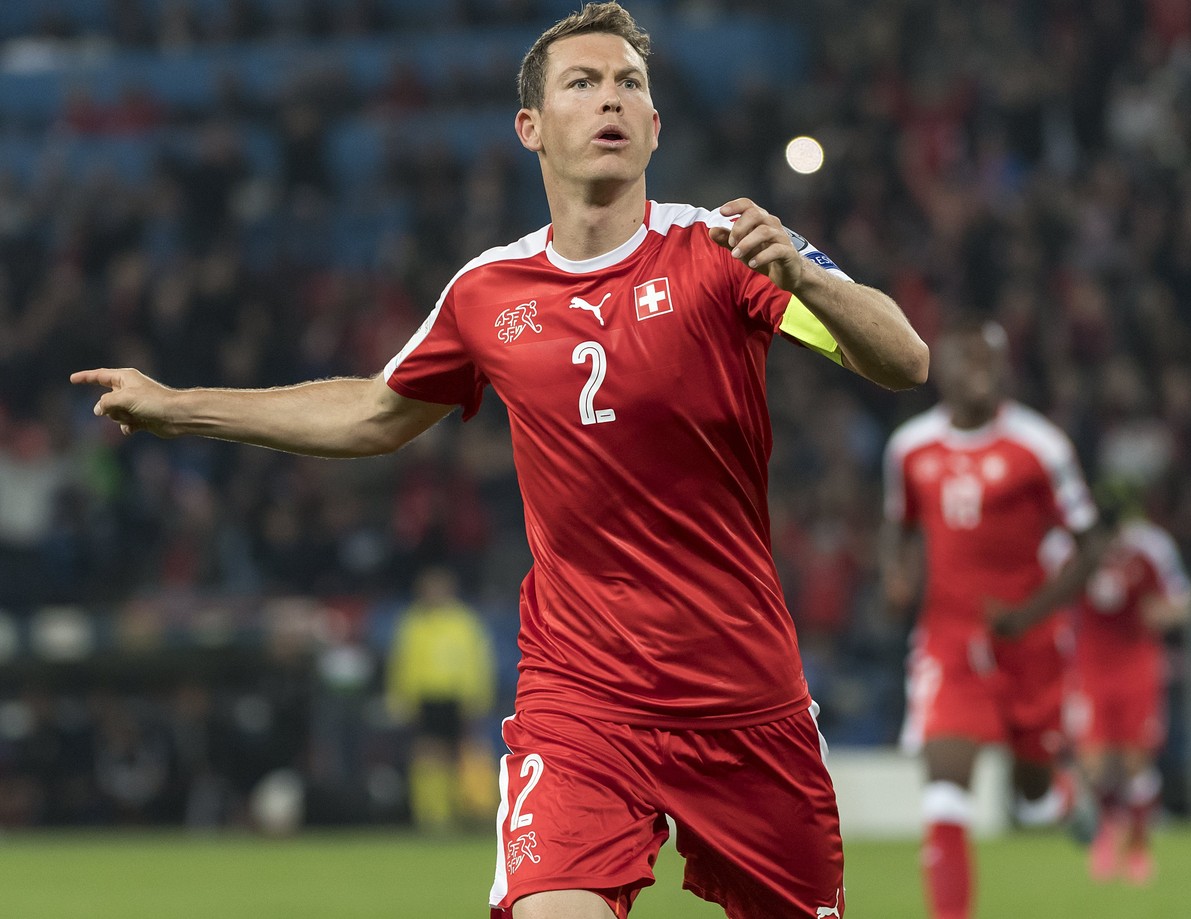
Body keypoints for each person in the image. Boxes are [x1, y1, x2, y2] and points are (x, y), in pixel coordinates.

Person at [72, 4, 929, 917]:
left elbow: (905, 360)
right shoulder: (487, 292)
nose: (611, 99)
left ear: (655, 126)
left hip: (744, 700)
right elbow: (372, 412)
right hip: (582, 698)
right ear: (532, 128)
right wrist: (179, 406)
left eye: (629, 84)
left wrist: (813, 280)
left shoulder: (724, 252)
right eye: (583, 83)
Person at [880, 318, 1103, 919]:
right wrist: (896, 576)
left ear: (1004, 370)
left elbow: (1091, 548)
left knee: (1028, 795)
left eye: (987, 362)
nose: (976, 373)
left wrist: (1028, 614)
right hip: (947, 640)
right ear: (939, 369)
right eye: (963, 360)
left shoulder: (1041, 447)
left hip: (1029, 641)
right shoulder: (909, 450)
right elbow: (898, 529)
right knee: (947, 789)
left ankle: (1055, 795)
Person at [1064, 480, 1191, 885]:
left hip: (1138, 663)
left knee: (1137, 761)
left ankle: (1138, 846)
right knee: (1095, 761)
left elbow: (1181, 602)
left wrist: (1164, 614)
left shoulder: (1151, 547)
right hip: (1088, 664)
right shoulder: (1070, 549)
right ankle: (1108, 833)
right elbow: (1049, 594)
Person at [385, 566, 498, 833]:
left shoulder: (465, 622)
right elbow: (401, 663)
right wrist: (401, 697)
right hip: (425, 697)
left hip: (459, 697)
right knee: (428, 757)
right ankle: (434, 817)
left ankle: (477, 812)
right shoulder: (412, 623)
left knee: (469, 755)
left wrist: (479, 696)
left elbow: (479, 661)